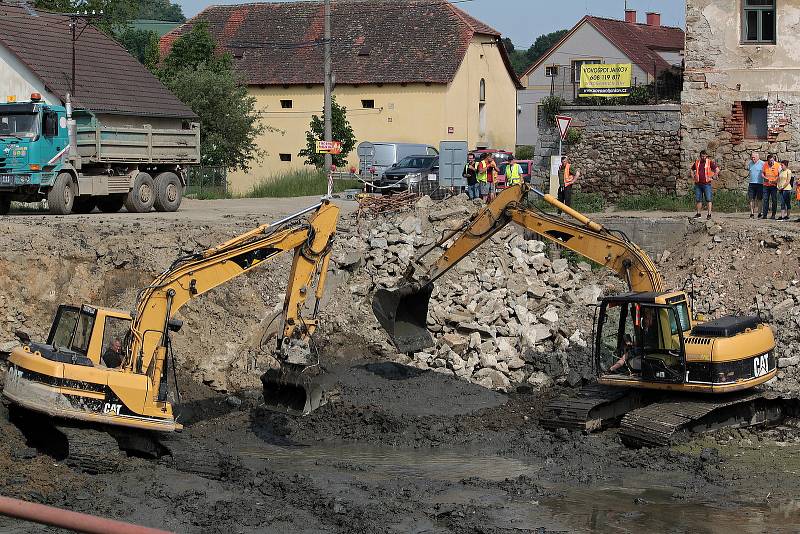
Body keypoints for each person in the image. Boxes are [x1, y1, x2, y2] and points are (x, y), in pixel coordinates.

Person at [690, 150, 718, 219]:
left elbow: (717, 169)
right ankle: (698, 214)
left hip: (707, 184)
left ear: (706, 156)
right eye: (702, 156)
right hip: (698, 184)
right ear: (700, 156)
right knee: (698, 199)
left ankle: (709, 215)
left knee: (708, 199)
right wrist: (692, 176)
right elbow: (691, 169)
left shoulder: (709, 162)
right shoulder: (697, 162)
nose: (703, 157)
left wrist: (714, 175)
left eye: (705, 156)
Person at [761, 154, 781, 220]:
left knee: (774, 200)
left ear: (774, 159)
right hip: (766, 185)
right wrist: (764, 177)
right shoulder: (765, 164)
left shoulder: (778, 165)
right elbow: (762, 173)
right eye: (770, 161)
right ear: (768, 161)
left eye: (772, 160)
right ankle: (764, 215)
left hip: (774, 185)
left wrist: (776, 180)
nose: (771, 162)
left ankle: (773, 215)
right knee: (765, 200)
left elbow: (780, 174)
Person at [747, 152, 765, 218]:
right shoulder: (750, 163)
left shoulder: (762, 163)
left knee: (759, 199)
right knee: (751, 198)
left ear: (758, 157)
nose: (753, 158)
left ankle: (759, 213)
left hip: (760, 183)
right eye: (752, 157)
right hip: (751, 183)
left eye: (754, 157)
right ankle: (752, 213)